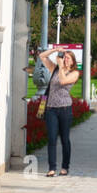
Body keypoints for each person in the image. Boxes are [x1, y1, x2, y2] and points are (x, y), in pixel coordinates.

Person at [38, 46, 79, 177]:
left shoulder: (74, 73)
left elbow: (62, 81)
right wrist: (55, 51)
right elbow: (42, 56)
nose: (65, 59)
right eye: (64, 57)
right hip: (51, 108)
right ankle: (51, 168)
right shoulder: (55, 69)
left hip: (65, 109)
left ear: (72, 61)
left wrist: (61, 67)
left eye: (68, 58)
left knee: (65, 139)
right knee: (51, 138)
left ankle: (65, 167)